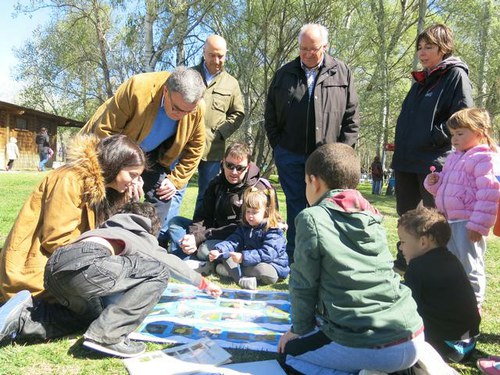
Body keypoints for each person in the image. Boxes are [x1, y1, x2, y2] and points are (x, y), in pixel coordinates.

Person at [278, 143, 426, 374]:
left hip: (374, 344)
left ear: (314, 181)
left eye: (306, 182)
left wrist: (298, 330)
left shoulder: (312, 217)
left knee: (289, 355)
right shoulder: (370, 212)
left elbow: (303, 283)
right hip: (413, 334)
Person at [0, 201, 221, 356]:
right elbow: (169, 263)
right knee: (158, 271)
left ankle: (24, 318)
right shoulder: (140, 232)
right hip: (88, 263)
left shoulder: (109, 227)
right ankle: (109, 336)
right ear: (151, 226)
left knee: (87, 318)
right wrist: (203, 282)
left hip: (56, 266)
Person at [0, 134, 146, 301]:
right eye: (132, 175)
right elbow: (57, 240)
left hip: (64, 264)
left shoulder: (106, 189)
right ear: (115, 164)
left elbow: (111, 230)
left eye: (138, 177)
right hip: (35, 274)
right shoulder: (70, 179)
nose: (135, 182)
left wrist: (128, 201)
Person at [264, 23, 359, 261]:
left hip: (328, 158)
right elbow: (270, 116)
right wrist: (279, 147)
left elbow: (351, 117)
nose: (307, 54)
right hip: (290, 154)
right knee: (296, 206)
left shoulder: (342, 72)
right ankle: (296, 256)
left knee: (327, 207)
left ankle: (326, 256)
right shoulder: (284, 74)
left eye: (313, 49)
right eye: (302, 48)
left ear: (325, 47)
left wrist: (343, 153)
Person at [80, 66, 206, 240]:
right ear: (166, 90)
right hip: (114, 151)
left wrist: (175, 181)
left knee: (163, 195)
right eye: (176, 108)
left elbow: (196, 147)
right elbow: (106, 133)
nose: (181, 116)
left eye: (188, 112)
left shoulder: (197, 108)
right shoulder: (137, 88)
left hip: (153, 155)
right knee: (113, 195)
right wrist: (128, 174)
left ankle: (145, 243)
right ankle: (102, 238)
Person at [392, 23, 473, 272]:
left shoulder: (455, 75)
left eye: (429, 47)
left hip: (433, 161)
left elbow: (462, 118)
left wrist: (432, 137)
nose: (422, 52)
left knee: (432, 219)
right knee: (406, 216)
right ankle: (405, 261)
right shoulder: (420, 81)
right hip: (405, 160)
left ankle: (435, 267)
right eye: (419, 48)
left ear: (444, 48)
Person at [424, 108, 500, 306]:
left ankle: (472, 308)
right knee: (451, 264)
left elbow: (489, 194)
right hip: (449, 220)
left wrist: (478, 225)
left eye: (460, 133)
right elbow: (449, 188)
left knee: (470, 266)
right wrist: (434, 182)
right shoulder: (454, 157)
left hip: (467, 223)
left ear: (479, 132)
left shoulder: (485, 158)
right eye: (452, 134)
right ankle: (454, 302)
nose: (454, 139)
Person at [167, 143, 273, 269]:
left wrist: (200, 237)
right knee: (176, 222)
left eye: (240, 168)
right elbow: (202, 216)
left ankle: (190, 259)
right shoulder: (215, 183)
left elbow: (242, 227)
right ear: (223, 162)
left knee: (204, 251)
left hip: (238, 239)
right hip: (212, 233)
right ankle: (187, 257)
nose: (234, 172)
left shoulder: (256, 189)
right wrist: (193, 236)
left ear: (248, 167)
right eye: (230, 165)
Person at [398, 206, 481, 363]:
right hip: (468, 344)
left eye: (402, 241)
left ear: (423, 242)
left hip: (444, 347)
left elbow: (405, 307)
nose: (401, 247)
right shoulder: (452, 259)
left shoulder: (418, 267)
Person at [191, 35, 245, 211]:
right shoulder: (189, 75)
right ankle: (165, 236)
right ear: (204, 53)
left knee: (207, 194)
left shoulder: (231, 83)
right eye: (212, 55)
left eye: (220, 56)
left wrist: (220, 134)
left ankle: (196, 234)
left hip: (213, 149)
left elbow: (238, 114)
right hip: (184, 146)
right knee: (174, 191)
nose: (216, 60)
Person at [208, 187, 289, 290]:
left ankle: (231, 272)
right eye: (248, 212)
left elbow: (268, 253)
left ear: (266, 211)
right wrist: (219, 250)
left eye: (254, 212)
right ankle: (240, 278)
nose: (250, 216)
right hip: (249, 262)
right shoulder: (245, 228)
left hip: (272, 267)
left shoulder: (274, 230)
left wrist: (243, 257)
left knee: (262, 270)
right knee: (228, 257)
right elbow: (233, 241)